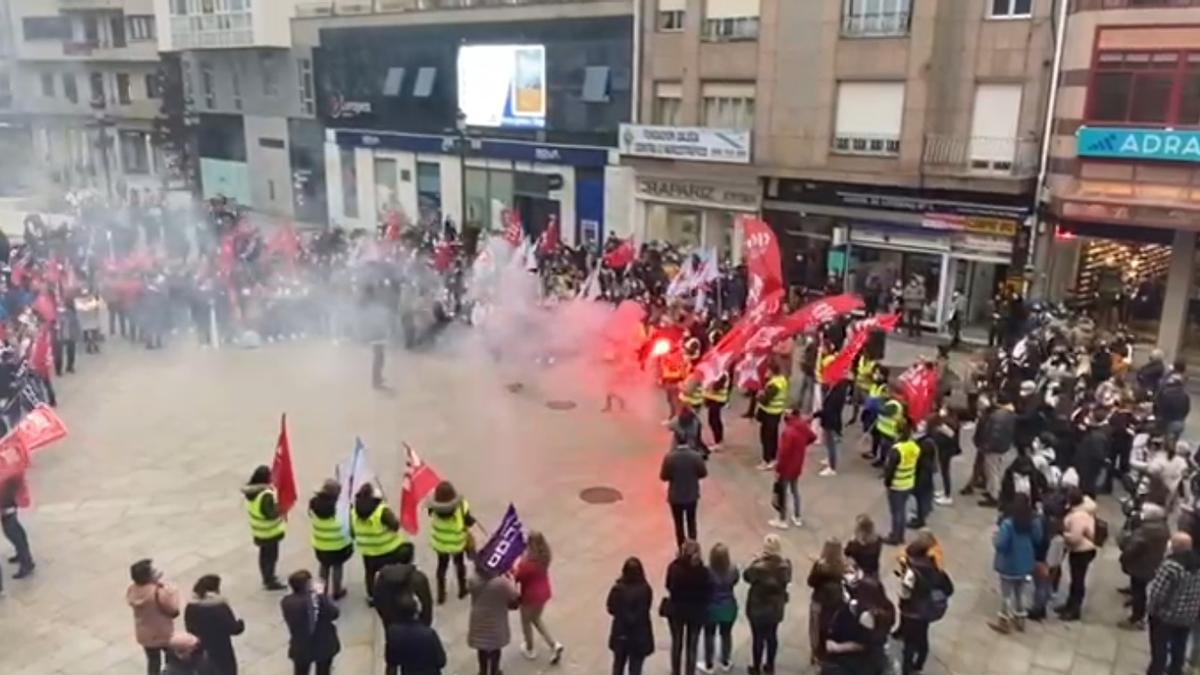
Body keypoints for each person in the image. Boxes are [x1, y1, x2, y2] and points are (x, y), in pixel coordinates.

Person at [1146, 533, 1200, 675]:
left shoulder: (1171, 566)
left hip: (1166, 616)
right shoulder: (1197, 564)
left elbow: (1158, 593)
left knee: (1159, 649)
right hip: (1188, 615)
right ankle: (1175, 671)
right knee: (1179, 647)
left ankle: (1155, 672)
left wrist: (1152, 610)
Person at [988, 494, 1043, 634]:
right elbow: (1038, 539)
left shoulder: (1008, 524)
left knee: (1006, 594)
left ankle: (1004, 621)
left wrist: (994, 540)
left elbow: (1001, 544)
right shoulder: (1033, 522)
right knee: (1020, 593)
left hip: (1008, 564)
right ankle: (1020, 619)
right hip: (1025, 563)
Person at [897, 538, 952, 675]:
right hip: (926, 610)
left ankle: (907, 669)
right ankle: (919, 664)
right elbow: (949, 589)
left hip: (911, 611)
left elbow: (905, 594)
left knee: (909, 643)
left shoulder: (911, 572)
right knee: (922, 637)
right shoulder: (936, 569)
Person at [743, 534, 792, 675]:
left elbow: (746, 576)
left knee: (757, 638)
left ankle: (756, 667)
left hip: (757, 607)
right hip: (775, 608)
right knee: (772, 636)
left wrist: (756, 560)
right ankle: (770, 666)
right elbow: (787, 580)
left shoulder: (758, 567)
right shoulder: (785, 566)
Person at [352, 483, 407, 606]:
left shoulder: (354, 512)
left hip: (368, 551)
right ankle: (392, 595)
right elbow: (395, 526)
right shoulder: (381, 511)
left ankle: (372, 597)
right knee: (390, 573)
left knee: (370, 574)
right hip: (388, 549)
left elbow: (352, 531)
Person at [514, 531, 564, 663]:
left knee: (526, 622)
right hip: (544, 592)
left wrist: (517, 564)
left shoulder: (527, 564)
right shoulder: (545, 556)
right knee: (536, 619)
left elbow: (517, 577)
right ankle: (553, 644)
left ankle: (529, 648)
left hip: (530, 596)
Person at [1119, 503, 1170, 630]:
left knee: (1138, 591)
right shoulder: (1163, 528)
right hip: (1151, 563)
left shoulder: (1146, 530)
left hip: (1140, 565)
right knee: (1140, 590)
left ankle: (1136, 618)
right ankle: (1138, 614)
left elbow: (1132, 547)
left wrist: (1124, 558)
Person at [280, 569, 341, 675]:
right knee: (323, 671)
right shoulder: (319, 600)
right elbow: (334, 613)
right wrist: (321, 595)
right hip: (323, 644)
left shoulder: (287, 601)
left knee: (301, 671)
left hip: (301, 645)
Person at [665, 540, 712, 675]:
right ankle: (689, 672)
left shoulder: (674, 568)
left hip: (677, 610)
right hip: (696, 612)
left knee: (677, 643)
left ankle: (675, 671)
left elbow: (668, 586)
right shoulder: (703, 571)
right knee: (692, 645)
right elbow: (707, 592)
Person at [127, 559, 181, 675]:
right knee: (173, 657)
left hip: (145, 634)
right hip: (162, 633)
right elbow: (173, 609)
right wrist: (171, 592)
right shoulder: (158, 592)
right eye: (153, 571)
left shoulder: (132, 590)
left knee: (153, 661)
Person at [183, 574, 245, 675]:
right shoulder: (219, 606)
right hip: (221, 647)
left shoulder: (191, 606)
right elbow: (233, 628)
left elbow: (189, 628)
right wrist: (240, 624)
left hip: (201, 648)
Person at [467, 561, 519, 675]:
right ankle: (494, 671)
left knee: (481, 648)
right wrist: (512, 581)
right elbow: (514, 599)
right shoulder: (501, 583)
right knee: (495, 648)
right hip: (496, 620)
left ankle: (483, 671)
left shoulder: (473, 580)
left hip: (478, 619)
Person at [427, 480, 475, 605]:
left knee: (441, 567)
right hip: (457, 543)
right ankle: (462, 589)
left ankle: (441, 595)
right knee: (459, 565)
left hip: (440, 543)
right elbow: (469, 521)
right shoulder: (461, 506)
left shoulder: (433, 508)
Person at [241, 465, 287, 591]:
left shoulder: (250, 492)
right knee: (271, 557)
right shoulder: (265, 495)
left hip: (259, 531)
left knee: (263, 556)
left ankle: (266, 576)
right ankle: (270, 580)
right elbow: (270, 514)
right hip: (270, 532)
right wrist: (280, 508)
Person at [1056, 487, 1098, 622]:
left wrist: (1064, 533)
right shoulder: (1084, 510)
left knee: (1077, 581)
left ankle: (1074, 609)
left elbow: (1075, 537)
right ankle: (1070, 604)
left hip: (1081, 551)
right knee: (1076, 580)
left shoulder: (1078, 516)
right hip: (1084, 550)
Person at [607, 557, 655, 675]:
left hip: (621, 633)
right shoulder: (645, 589)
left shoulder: (618, 589)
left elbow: (610, 608)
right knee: (636, 668)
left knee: (618, 666)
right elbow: (646, 608)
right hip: (639, 635)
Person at [661, 435, 708, 548]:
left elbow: (663, 476)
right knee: (691, 522)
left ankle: (682, 548)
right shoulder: (695, 456)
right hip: (691, 495)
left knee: (679, 525)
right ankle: (693, 548)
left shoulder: (669, 457)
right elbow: (703, 473)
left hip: (676, 497)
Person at [308, 479, 352, 600]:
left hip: (320, 543)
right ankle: (337, 591)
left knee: (323, 567)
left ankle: (320, 593)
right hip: (338, 545)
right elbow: (347, 523)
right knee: (337, 567)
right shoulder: (339, 508)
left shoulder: (314, 503)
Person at [771, 409, 815, 529]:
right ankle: (797, 516)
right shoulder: (803, 426)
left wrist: (777, 468)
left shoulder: (788, 432)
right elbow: (813, 437)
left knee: (783, 493)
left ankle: (782, 519)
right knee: (795, 490)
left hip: (786, 467)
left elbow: (783, 453)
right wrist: (802, 445)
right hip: (797, 464)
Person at [374, 543, 435, 628]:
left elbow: (377, 599)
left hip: (391, 622)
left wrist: (385, 618)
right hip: (413, 624)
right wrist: (425, 625)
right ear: (411, 558)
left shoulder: (382, 576)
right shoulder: (418, 578)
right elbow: (426, 604)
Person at [808, 538, 847, 666]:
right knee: (830, 627)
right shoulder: (843, 566)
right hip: (835, 601)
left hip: (819, 600)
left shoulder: (820, 566)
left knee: (815, 629)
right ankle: (827, 654)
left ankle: (816, 653)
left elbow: (811, 582)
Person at [384, 597, 447, 675]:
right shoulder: (429, 634)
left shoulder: (393, 634)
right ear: (416, 612)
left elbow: (391, 663)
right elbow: (441, 661)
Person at [701, 543, 738, 673]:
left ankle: (709, 663)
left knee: (709, 635)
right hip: (728, 606)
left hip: (711, 607)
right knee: (726, 634)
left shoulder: (707, 572)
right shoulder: (733, 570)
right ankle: (725, 660)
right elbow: (735, 580)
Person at [882, 428, 920, 545]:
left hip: (897, 484)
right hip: (908, 482)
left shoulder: (896, 450)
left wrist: (887, 483)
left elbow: (890, 470)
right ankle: (901, 535)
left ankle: (895, 536)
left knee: (896, 512)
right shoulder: (914, 447)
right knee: (902, 510)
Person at [978, 394, 1016, 508]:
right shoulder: (1011, 415)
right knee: (996, 470)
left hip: (994, 448)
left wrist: (987, 446)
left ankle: (994, 495)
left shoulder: (997, 416)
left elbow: (994, 433)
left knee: (992, 471)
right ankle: (993, 491)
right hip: (1003, 446)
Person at [1, 474, 34, 579]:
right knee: (13, 528)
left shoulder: (6, 464)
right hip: (7, 491)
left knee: (12, 530)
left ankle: (26, 561)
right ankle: (23, 556)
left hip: (6, 494)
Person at [756, 361, 788, 470]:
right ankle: (773, 458)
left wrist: (759, 396)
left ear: (771, 371)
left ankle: (767, 459)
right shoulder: (781, 380)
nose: (766, 372)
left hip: (770, 413)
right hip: (776, 412)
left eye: (767, 370)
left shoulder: (774, 384)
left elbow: (765, 400)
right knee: (773, 436)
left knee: (767, 437)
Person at [818, 374, 850, 477]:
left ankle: (832, 467)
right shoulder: (836, 391)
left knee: (830, 443)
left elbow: (829, 409)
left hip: (830, 421)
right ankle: (829, 459)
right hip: (830, 420)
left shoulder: (836, 394)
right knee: (828, 442)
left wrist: (817, 414)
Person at [845, 514, 882, 579]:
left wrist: (852, 540)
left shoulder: (855, 546)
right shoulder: (878, 540)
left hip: (860, 575)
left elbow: (846, 552)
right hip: (873, 572)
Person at [703, 370, 731, 450]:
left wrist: (708, 385)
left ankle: (719, 441)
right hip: (713, 399)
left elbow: (716, 386)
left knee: (714, 420)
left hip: (717, 400)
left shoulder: (722, 374)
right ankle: (718, 440)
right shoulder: (715, 373)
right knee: (713, 420)